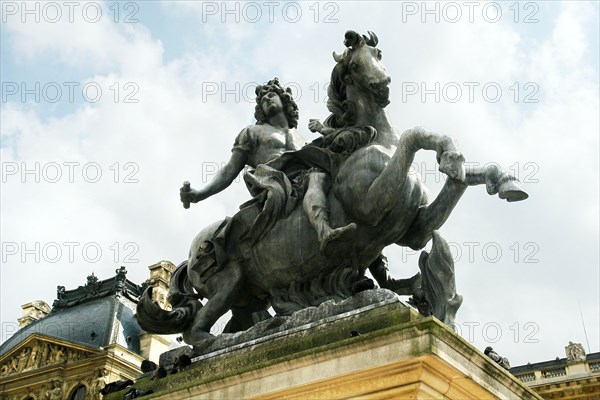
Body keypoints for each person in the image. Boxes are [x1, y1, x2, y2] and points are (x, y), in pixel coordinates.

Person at [180, 78, 356, 253]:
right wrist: (200, 194)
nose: (267, 100)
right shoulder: (252, 132)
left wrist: (324, 131)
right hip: (274, 182)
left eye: (271, 95)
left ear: (284, 100)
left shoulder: (300, 138)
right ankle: (324, 232)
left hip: (303, 178)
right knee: (317, 177)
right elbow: (230, 169)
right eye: (263, 100)